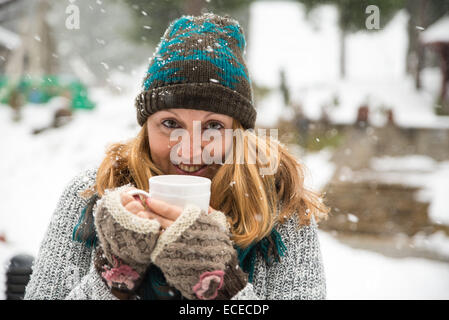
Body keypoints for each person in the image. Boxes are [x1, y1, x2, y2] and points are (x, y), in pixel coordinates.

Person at [24, 13, 328, 300]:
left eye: (213, 126)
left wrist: (224, 287)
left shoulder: (281, 205)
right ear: (145, 128)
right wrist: (114, 277)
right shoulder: (92, 195)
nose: (190, 151)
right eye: (170, 124)